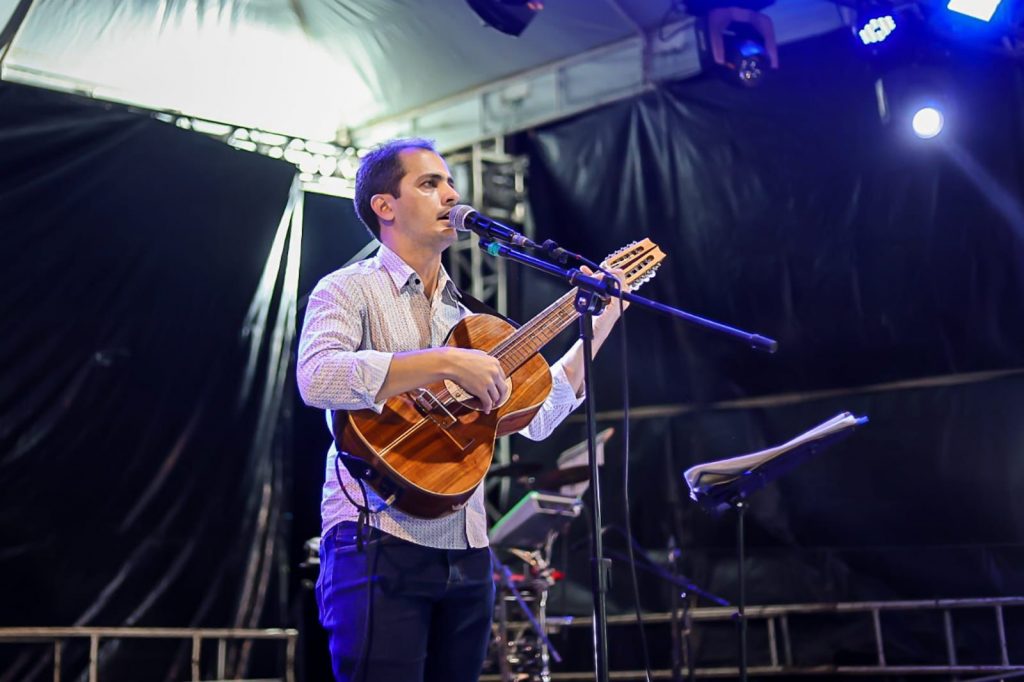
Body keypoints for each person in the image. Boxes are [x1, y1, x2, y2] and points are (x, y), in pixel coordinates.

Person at [296, 137, 627, 682]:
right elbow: (318, 377)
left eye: (450, 183)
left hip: (469, 547)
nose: (452, 195)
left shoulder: (471, 316)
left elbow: (539, 416)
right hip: (375, 534)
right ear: (385, 206)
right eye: (430, 184)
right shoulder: (347, 290)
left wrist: (600, 322)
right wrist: (444, 362)